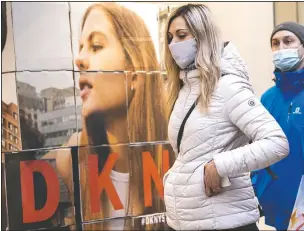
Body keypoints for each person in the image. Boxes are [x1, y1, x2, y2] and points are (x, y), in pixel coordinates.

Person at [44, 3, 170, 230]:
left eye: (96, 46)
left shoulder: (174, 149)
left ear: (134, 73)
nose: (79, 59)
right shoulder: (70, 159)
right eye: (80, 47)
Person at [163, 4, 290, 231]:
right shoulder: (184, 89)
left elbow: (276, 142)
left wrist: (220, 166)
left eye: (182, 36)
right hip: (186, 219)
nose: (174, 44)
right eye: (170, 37)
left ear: (203, 36)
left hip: (226, 221)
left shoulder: (227, 86)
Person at [251, 22, 304, 231]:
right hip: (276, 202)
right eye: (275, 44)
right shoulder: (268, 98)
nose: (281, 49)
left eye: (288, 41)